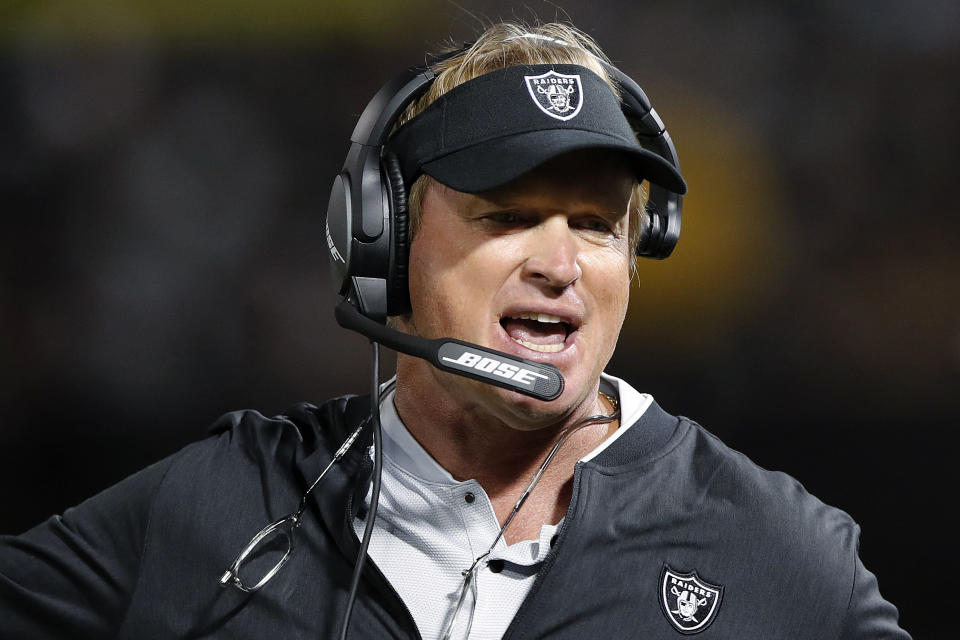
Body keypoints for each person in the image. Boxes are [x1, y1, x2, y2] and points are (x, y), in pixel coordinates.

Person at [0, 21, 910, 640]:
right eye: (508, 216)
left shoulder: (777, 550)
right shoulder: (221, 506)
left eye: (595, 225)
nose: (560, 261)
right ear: (382, 244)